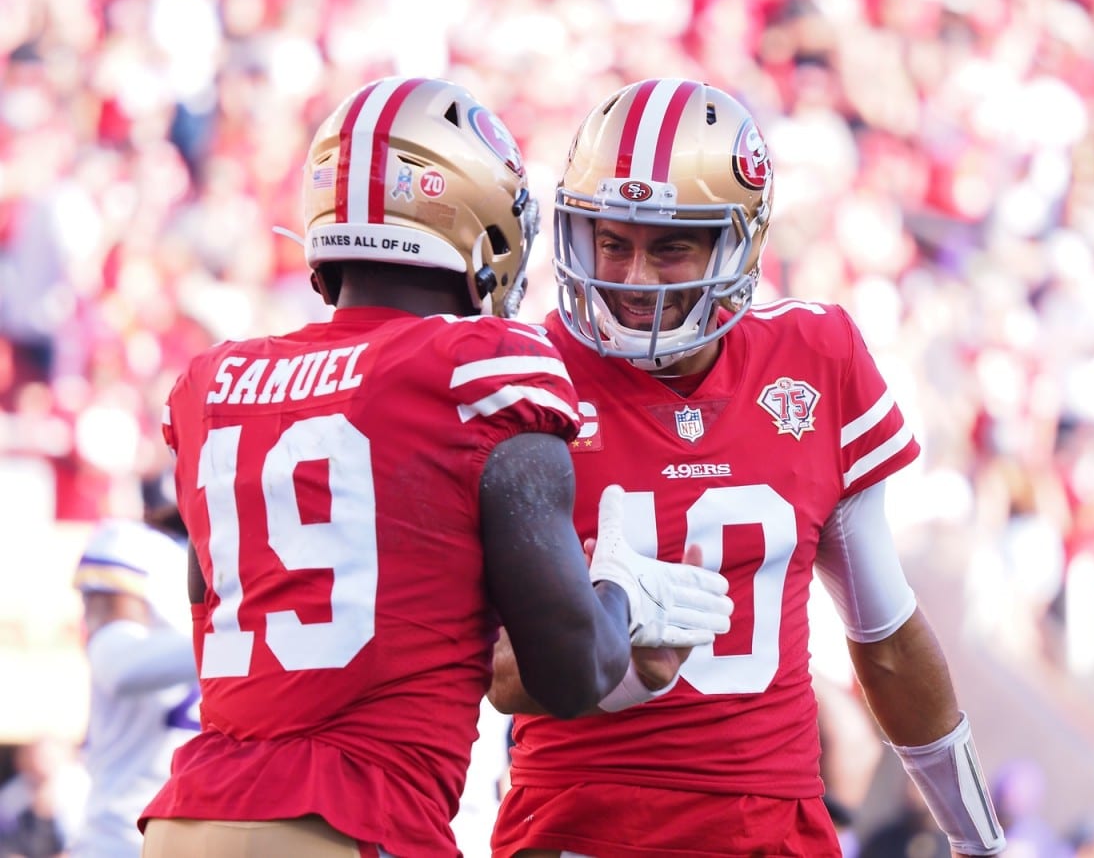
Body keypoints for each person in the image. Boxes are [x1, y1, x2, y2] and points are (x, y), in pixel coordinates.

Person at [137, 76, 732, 858]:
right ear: (483, 222)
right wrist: (621, 597)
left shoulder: (216, 381)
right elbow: (568, 670)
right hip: (353, 824)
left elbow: (212, 601)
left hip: (187, 822)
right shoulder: (481, 367)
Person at [488, 78, 1006, 858]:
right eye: (612, 239)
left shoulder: (817, 356)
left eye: (670, 246)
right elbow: (498, 675)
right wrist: (615, 638)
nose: (632, 278)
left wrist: (980, 841)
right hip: (581, 826)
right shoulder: (526, 373)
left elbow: (886, 635)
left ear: (740, 243)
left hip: (773, 830)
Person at [70, 514, 198, 858]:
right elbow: (119, 665)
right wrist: (243, 641)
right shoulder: (131, 542)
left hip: (202, 838)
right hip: (121, 841)